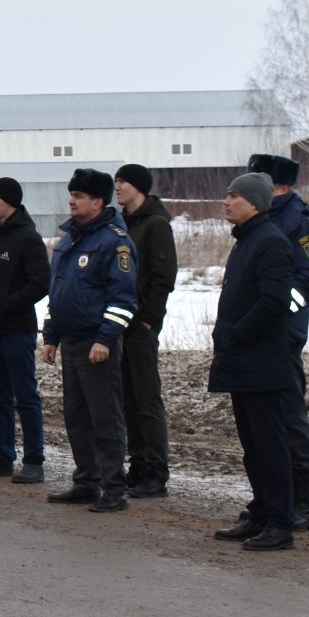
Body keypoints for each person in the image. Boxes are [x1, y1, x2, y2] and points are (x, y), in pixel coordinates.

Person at [208, 173, 301, 551]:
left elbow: (275, 300)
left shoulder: (271, 242)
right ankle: (261, 512)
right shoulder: (248, 240)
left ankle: (281, 523)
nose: (226, 201)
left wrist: (238, 333)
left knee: (270, 444)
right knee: (253, 445)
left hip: (261, 362)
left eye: (235, 196)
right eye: (227, 194)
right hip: (243, 360)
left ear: (255, 203)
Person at [41, 169, 138, 512]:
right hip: (70, 341)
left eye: (79, 196)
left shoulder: (114, 241)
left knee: (105, 418)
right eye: (72, 194)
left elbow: (123, 299)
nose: (71, 200)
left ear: (97, 202)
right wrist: (50, 335)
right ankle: (86, 481)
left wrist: (106, 339)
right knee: (77, 416)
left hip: (97, 345)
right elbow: (59, 292)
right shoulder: (69, 240)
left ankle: (114, 488)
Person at [243, 152, 309, 531]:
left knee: (288, 416)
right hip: (255, 335)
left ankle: (303, 503)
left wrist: (275, 310)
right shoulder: (259, 220)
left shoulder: (300, 220)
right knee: (260, 422)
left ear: (279, 187)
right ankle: (272, 499)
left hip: (282, 336)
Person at [0, 177, 50, 483]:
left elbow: (41, 282)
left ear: (9, 201)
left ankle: (34, 460)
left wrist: (7, 305)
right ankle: (3, 455)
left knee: (25, 395)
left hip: (17, 330)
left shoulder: (28, 238)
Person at [114, 163, 175, 498]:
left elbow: (163, 275)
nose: (117, 186)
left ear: (139, 186)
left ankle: (156, 470)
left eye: (123, 181)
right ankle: (137, 465)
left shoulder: (155, 224)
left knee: (146, 398)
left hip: (141, 326)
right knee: (128, 398)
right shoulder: (122, 224)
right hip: (120, 323)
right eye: (116, 181)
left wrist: (150, 318)